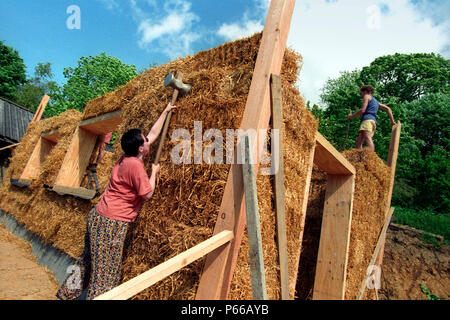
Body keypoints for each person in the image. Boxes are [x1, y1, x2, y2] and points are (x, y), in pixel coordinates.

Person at [56, 103, 177, 300]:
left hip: (98, 217)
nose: (148, 141)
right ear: (140, 148)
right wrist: (153, 173)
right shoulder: (135, 166)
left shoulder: (125, 158)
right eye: (144, 141)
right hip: (111, 223)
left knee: (86, 261)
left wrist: (165, 111)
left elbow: (152, 136)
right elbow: (147, 194)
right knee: (106, 273)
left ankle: (66, 294)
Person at [348, 85, 396, 151]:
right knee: (358, 142)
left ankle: (371, 156)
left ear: (365, 91)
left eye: (361, 93)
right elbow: (388, 108)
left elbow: (363, 110)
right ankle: (359, 158)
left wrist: (352, 116)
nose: (360, 95)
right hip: (373, 122)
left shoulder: (366, 96)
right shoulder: (376, 102)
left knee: (367, 138)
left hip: (367, 120)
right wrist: (392, 121)